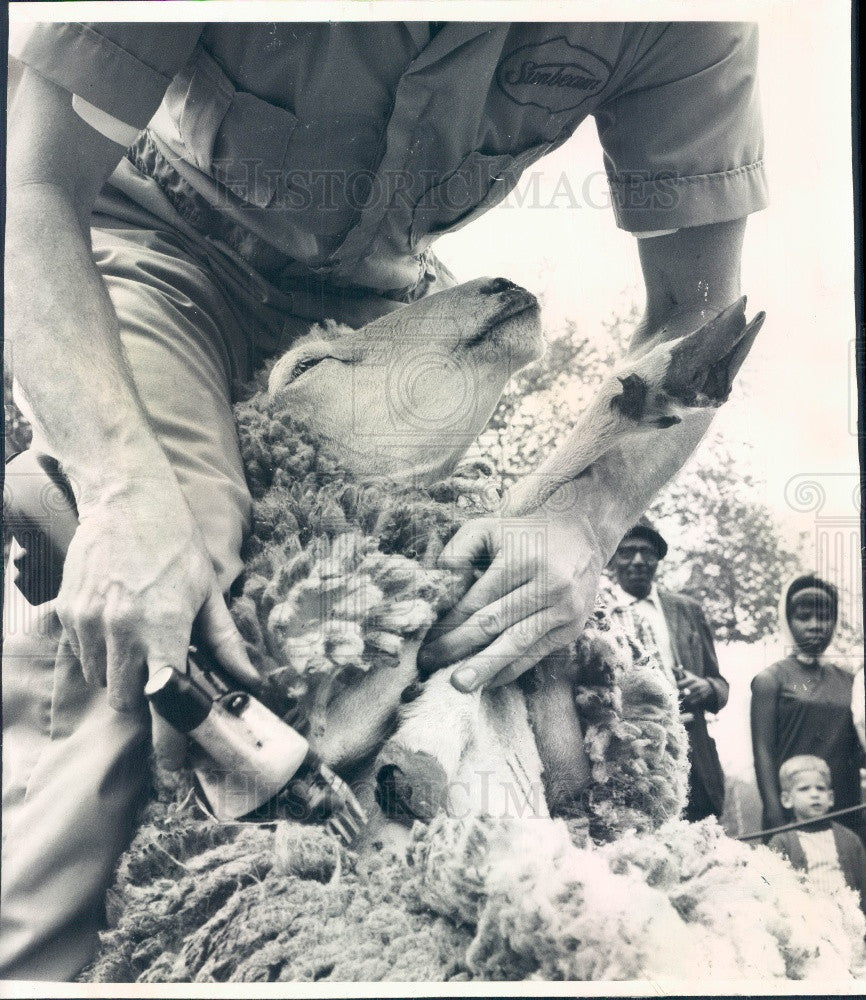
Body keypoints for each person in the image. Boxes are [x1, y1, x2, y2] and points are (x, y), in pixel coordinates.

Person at [3, 21, 767, 979]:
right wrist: (121, 492)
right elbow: (29, 183)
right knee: (174, 587)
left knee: (479, 606)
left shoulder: (679, 21)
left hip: (378, 306)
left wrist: (584, 517)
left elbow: (701, 309)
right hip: (155, 242)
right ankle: (36, 960)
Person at [607, 519, 729, 822]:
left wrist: (708, 687)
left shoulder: (686, 610)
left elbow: (721, 684)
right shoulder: (600, 612)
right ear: (612, 558)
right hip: (630, 749)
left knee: (702, 834)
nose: (637, 561)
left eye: (647, 553)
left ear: (658, 559)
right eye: (627, 552)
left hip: (692, 747)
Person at [751, 575, 864, 841]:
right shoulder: (771, 680)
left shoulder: (851, 680)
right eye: (804, 616)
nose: (815, 626)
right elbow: (763, 755)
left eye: (824, 617)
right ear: (788, 621)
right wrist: (778, 820)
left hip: (845, 808)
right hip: (793, 814)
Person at [768, 755, 866, 916]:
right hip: (809, 925)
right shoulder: (781, 842)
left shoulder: (849, 839)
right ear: (787, 799)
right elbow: (774, 890)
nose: (814, 794)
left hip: (848, 921)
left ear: (831, 798)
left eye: (820, 788)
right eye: (804, 788)